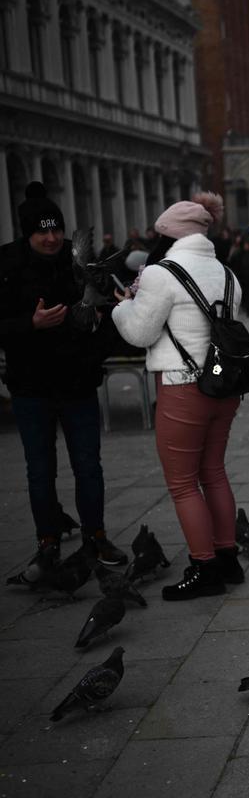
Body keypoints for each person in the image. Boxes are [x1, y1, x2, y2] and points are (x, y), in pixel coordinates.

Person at [111, 192, 245, 599]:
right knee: (214, 472)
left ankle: (204, 569)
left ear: (168, 235)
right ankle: (228, 558)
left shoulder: (161, 273)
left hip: (182, 386)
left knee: (183, 484)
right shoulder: (225, 272)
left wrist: (123, 307)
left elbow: (139, 333)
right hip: (224, 385)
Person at [0, 181, 127, 580]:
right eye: (43, 230)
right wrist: (30, 324)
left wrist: (98, 335)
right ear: (28, 231)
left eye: (57, 229)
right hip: (30, 385)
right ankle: (48, 543)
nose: (52, 237)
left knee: (88, 464)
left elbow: (108, 316)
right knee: (40, 469)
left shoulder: (79, 267)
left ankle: (96, 535)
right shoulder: (6, 265)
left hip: (77, 382)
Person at [229, 237, 249, 318]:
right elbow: (234, 263)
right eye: (245, 245)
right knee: (246, 294)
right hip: (243, 278)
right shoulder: (239, 255)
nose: (246, 247)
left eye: (248, 245)